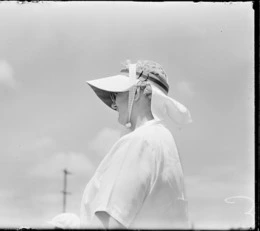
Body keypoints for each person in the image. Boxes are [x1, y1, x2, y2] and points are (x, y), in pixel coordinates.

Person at [79, 60, 193, 229]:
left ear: (137, 92)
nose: (113, 103)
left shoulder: (139, 142)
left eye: (116, 94)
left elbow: (112, 222)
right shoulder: (165, 141)